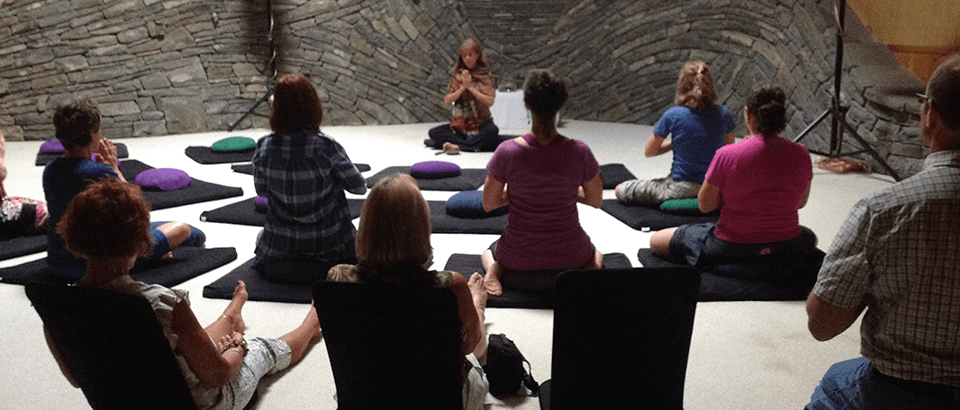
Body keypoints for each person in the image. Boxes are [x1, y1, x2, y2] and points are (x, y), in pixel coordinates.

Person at [45, 178, 322, 410]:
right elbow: (219, 375)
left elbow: (77, 379)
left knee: (183, 340)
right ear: (141, 241)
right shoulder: (160, 304)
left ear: (74, 239)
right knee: (261, 348)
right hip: (202, 404)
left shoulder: (58, 307)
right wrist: (238, 348)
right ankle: (312, 321)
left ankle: (231, 314)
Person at [805, 53, 960, 410]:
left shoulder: (882, 210)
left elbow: (822, 323)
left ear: (929, 115)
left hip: (898, 393)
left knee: (835, 382)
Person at [327, 173, 489, 410]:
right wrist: (476, 305)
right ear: (421, 227)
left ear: (366, 226)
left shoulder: (338, 278)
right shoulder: (449, 285)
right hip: (438, 401)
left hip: (369, 398)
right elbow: (471, 347)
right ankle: (480, 306)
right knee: (479, 356)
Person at [648, 84, 816, 272]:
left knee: (656, 241)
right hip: (786, 244)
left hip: (731, 245)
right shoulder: (802, 153)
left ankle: (736, 263)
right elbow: (800, 202)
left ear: (748, 114)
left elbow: (706, 205)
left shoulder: (728, 154)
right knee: (810, 237)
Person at [43, 99, 204, 280]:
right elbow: (137, 210)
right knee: (187, 231)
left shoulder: (50, 170)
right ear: (92, 134)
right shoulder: (99, 171)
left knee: (161, 226)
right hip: (98, 265)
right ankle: (157, 252)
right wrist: (114, 168)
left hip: (57, 263)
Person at [480, 68, 603, 296]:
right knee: (596, 253)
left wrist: (518, 192)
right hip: (571, 256)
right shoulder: (580, 152)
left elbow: (488, 203)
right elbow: (596, 200)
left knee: (488, 252)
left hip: (518, 256)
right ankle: (591, 270)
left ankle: (493, 272)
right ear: (560, 105)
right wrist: (564, 190)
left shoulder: (506, 152)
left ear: (527, 104)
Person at [251, 73, 367, 283]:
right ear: (313, 105)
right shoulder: (326, 146)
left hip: (280, 250)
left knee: (260, 239)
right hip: (329, 249)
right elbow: (359, 187)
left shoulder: (263, 146)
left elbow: (261, 191)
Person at [616, 61, 736, 205]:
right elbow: (729, 152)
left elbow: (650, 151)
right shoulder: (724, 114)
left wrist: (675, 144)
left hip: (680, 188)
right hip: (713, 188)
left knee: (620, 189)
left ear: (683, 85)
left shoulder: (673, 115)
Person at [425, 38, 500, 154]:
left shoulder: (484, 75)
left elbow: (490, 101)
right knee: (434, 133)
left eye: (470, 55)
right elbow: (447, 100)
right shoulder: (458, 75)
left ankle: (458, 146)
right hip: (461, 126)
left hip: (482, 124)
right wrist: (462, 88)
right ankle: (471, 145)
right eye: (464, 56)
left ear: (477, 55)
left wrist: (471, 88)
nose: (467, 58)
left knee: (493, 131)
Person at [1, 130, 49, 238]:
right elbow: (1, 172)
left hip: (3, 202)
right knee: (48, 214)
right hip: (2, 213)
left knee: (42, 205)